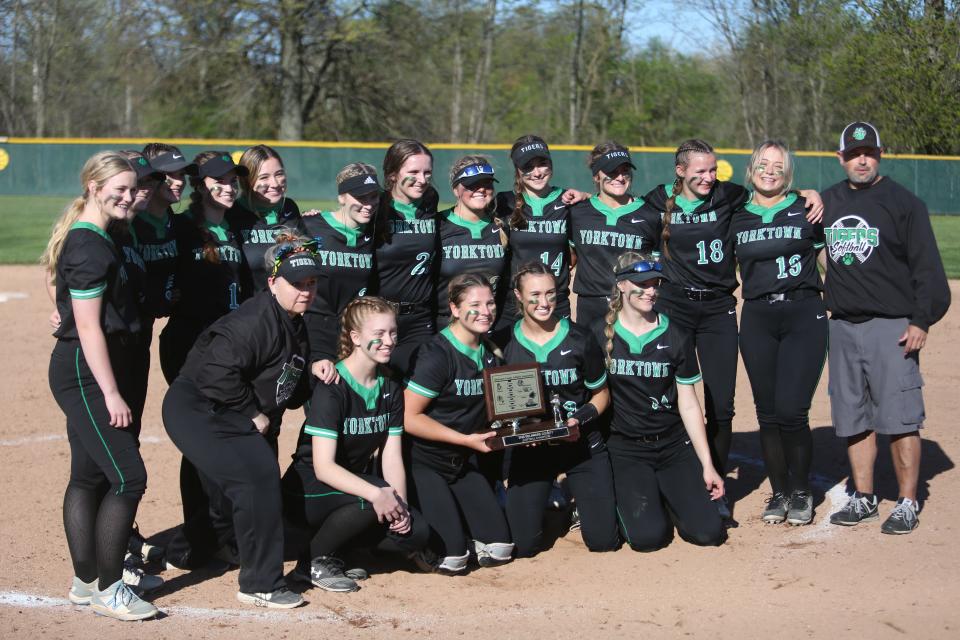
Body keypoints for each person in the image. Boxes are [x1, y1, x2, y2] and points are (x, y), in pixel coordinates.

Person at [643, 139, 823, 519]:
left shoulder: (732, 198)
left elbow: (780, 193)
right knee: (669, 396)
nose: (708, 178)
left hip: (719, 309)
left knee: (720, 405)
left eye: (713, 170)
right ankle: (673, 483)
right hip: (674, 307)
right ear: (680, 172)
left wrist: (809, 192)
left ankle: (716, 487)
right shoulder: (659, 200)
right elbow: (620, 207)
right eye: (699, 171)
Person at [161, 236, 322, 608]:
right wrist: (254, 414)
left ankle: (191, 549)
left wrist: (312, 374)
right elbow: (214, 375)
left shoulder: (293, 321)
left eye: (312, 283)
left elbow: (288, 382)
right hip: (198, 407)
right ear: (272, 283)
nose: (306, 291)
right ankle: (260, 584)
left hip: (226, 407)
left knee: (233, 485)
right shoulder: (252, 323)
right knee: (257, 476)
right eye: (297, 283)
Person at [41, 151, 159, 620]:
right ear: (93, 187)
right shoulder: (90, 244)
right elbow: (89, 328)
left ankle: (86, 581)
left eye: (133, 189)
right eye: (120, 189)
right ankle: (111, 588)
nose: (129, 197)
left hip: (100, 366)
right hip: (88, 373)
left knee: (89, 476)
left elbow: (63, 285)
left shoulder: (104, 235)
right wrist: (111, 393)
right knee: (128, 476)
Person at [822, 121, 950, 534]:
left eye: (870, 152)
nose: (863, 159)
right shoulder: (826, 202)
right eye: (855, 153)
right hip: (842, 326)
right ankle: (864, 497)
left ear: (880, 155)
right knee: (853, 417)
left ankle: (908, 501)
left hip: (891, 326)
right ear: (840, 158)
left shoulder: (904, 202)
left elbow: (929, 270)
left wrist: (921, 320)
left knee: (899, 417)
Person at [282, 297, 429, 592]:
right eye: (379, 335)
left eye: (393, 333)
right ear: (356, 338)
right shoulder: (333, 387)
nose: (389, 341)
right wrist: (379, 494)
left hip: (350, 488)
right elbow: (323, 468)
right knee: (370, 501)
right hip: (308, 492)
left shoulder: (390, 387)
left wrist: (400, 505)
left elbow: (391, 455)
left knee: (416, 533)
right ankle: (310, 564)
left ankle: (339, 551)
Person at [159, 151, 253, 571]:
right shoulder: (181, 227)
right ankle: (195, 539)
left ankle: (212, 533)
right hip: (189, 345)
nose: (229, 186)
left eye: (233, 179)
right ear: (201, 184)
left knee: (214, 438)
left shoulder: (236, 224)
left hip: (227, 349)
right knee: (201, 440)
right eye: (219, 180)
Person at [595, 251, 726, 550]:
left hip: (672, 445)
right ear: (623, 285)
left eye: (655, 283)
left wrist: (707, 464)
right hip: (626, 448)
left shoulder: (676, 333)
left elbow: (690, 404)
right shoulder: (599, 334)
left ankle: (670, 495)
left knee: (708, 533)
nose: (652, 291)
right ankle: (649, 499)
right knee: (648, 539)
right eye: (643, 284)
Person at [731, 141, 827, 525]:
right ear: (751, 168)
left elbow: (829, 260)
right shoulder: (736, 215)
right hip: (757, 316)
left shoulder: (806, 208)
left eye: (778, 166)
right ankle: (780, 492)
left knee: (792, 410)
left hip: (803, 312)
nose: (770, 171)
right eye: (763, 164)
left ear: (788, 174)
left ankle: (802, 490)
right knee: (767, 414)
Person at [501, 262, 619, 556]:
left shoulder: (579, 337)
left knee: (603, 541)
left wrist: (578, 420)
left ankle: (577, 499)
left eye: (551, 294)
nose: (544, 302)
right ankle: (544, 495)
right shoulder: (502, 342)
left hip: (580, 445)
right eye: (536, 294)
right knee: (525, 546)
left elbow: (601, 394)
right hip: (532, 450)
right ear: (518, 295)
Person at [404, 273, 514, 571]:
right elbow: (409, 418)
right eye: (474, 304)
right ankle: (400, 538)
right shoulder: (436, 354)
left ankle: (458, 522)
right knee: (453, 560)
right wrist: (465, 440)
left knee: (500, 548)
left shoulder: (491, 353)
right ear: (454, 308)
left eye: (490, 303)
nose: (486, 311)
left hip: (462, 462)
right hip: (423, 462)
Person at [494, 135, 589, 330]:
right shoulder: (504, 203)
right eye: (528, 166)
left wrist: (587, 196)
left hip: (555, 299)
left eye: (542, 164)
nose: (537, 172)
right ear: (518, 171)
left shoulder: (567, 200)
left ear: (551, 165)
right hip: (515, 301)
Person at [569, 142, 662, 329]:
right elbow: (571, 257)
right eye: (612, 171)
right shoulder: (578, 213)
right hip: (590, 306)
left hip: (632, 305)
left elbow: (658, 267)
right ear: (596, 176)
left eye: (625, 170)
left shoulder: (649, 215)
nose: (620, 177)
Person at [302, 163, 379, 383]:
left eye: (373, 196)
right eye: (361, 197)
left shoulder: (377, 232)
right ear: (342, 197)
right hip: (315, 332)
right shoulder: (310, 226)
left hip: (356, 334)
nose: (369, 204)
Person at [372, 139, 440, 372]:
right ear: (392, 175)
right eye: (413, 172)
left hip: (420, 319)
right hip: (378, 317)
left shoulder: (430, 202)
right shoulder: (375, 207)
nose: (422, 180)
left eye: (427, 172)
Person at [435, 156, 509, 325]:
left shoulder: (502, 227)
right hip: (446, 328)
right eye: (472, 185)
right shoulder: (439, 225)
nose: (482, 189)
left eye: (487, 184)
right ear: (456, 189)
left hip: (488, 327)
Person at [228, 144, 310, 292]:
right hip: (251, 310)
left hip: (290, 309)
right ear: (248, 181)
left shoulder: (289, 208)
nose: (275, 183)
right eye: (264, 177)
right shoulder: (232, 213)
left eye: (279, 174)